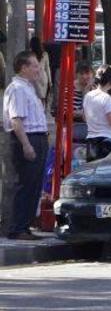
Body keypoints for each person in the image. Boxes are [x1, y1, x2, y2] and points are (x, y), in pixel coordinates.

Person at [4, 51, 49, 240]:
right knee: (26, 183)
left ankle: (26, 225)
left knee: (34, 184)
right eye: (34, 65)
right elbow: (16, 120)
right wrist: (26, 145)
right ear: (23, 68)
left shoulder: (28, 87)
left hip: (38, 137)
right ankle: (18, 226)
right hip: (28, 137)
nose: (38, 69)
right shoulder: (18, 89)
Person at [84, 65, 111, 161]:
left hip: (91, 142)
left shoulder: (88, 96)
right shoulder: (107, 98)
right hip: (106, 142)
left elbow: (84, 117)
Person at [29, 37, 51, 107]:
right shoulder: (45, 54)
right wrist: (50, 81)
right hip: (43, 78)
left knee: (33, 97)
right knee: (42, 98)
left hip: (33, 77)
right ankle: (42, 113)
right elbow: (47, 68)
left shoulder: (29, 54)